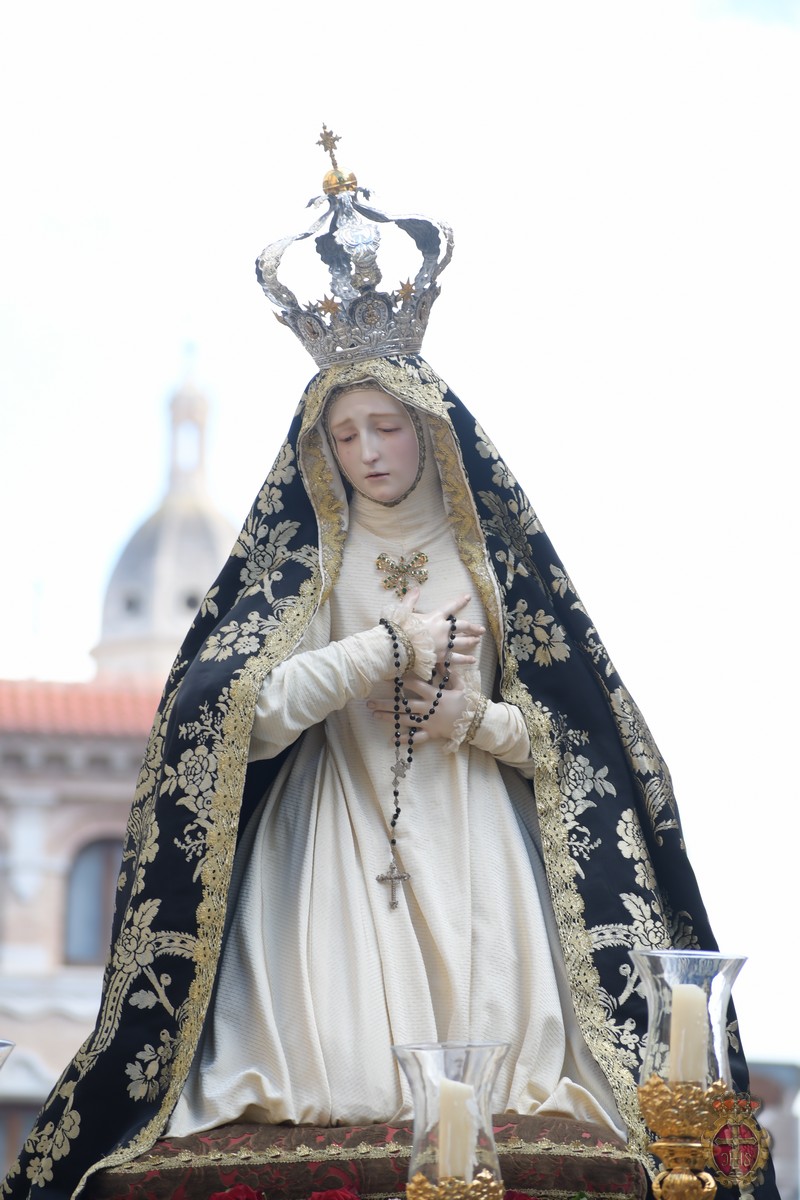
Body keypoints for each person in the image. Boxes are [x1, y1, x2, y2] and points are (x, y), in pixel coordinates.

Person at [2, 136, 779, 1199]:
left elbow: (578, 748)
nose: (366, 452)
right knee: (335, 1092)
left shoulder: (493, 563)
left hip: (478, 853)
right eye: (344, 434)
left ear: (430, 431)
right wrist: (375, 651)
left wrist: (474, 721)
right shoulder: (301, 568)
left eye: (385, 428)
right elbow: (239, 720)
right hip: (327, 845)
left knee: (507, 1095)